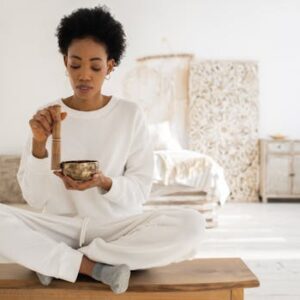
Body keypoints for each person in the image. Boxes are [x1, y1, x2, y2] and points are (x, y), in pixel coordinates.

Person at [0, 5, 205, 294]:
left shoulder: (129, 115)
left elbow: (140, 189)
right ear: (65, 63)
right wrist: (37, 144)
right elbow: (34, 198)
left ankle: (57, 263)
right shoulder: (48, 116)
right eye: (75, 65)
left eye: (95, 66)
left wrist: (106, 183)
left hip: (115, 231)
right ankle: (92, 268)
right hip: (59, 228)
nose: (84, 75)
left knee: (192, 226)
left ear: (110, 66)